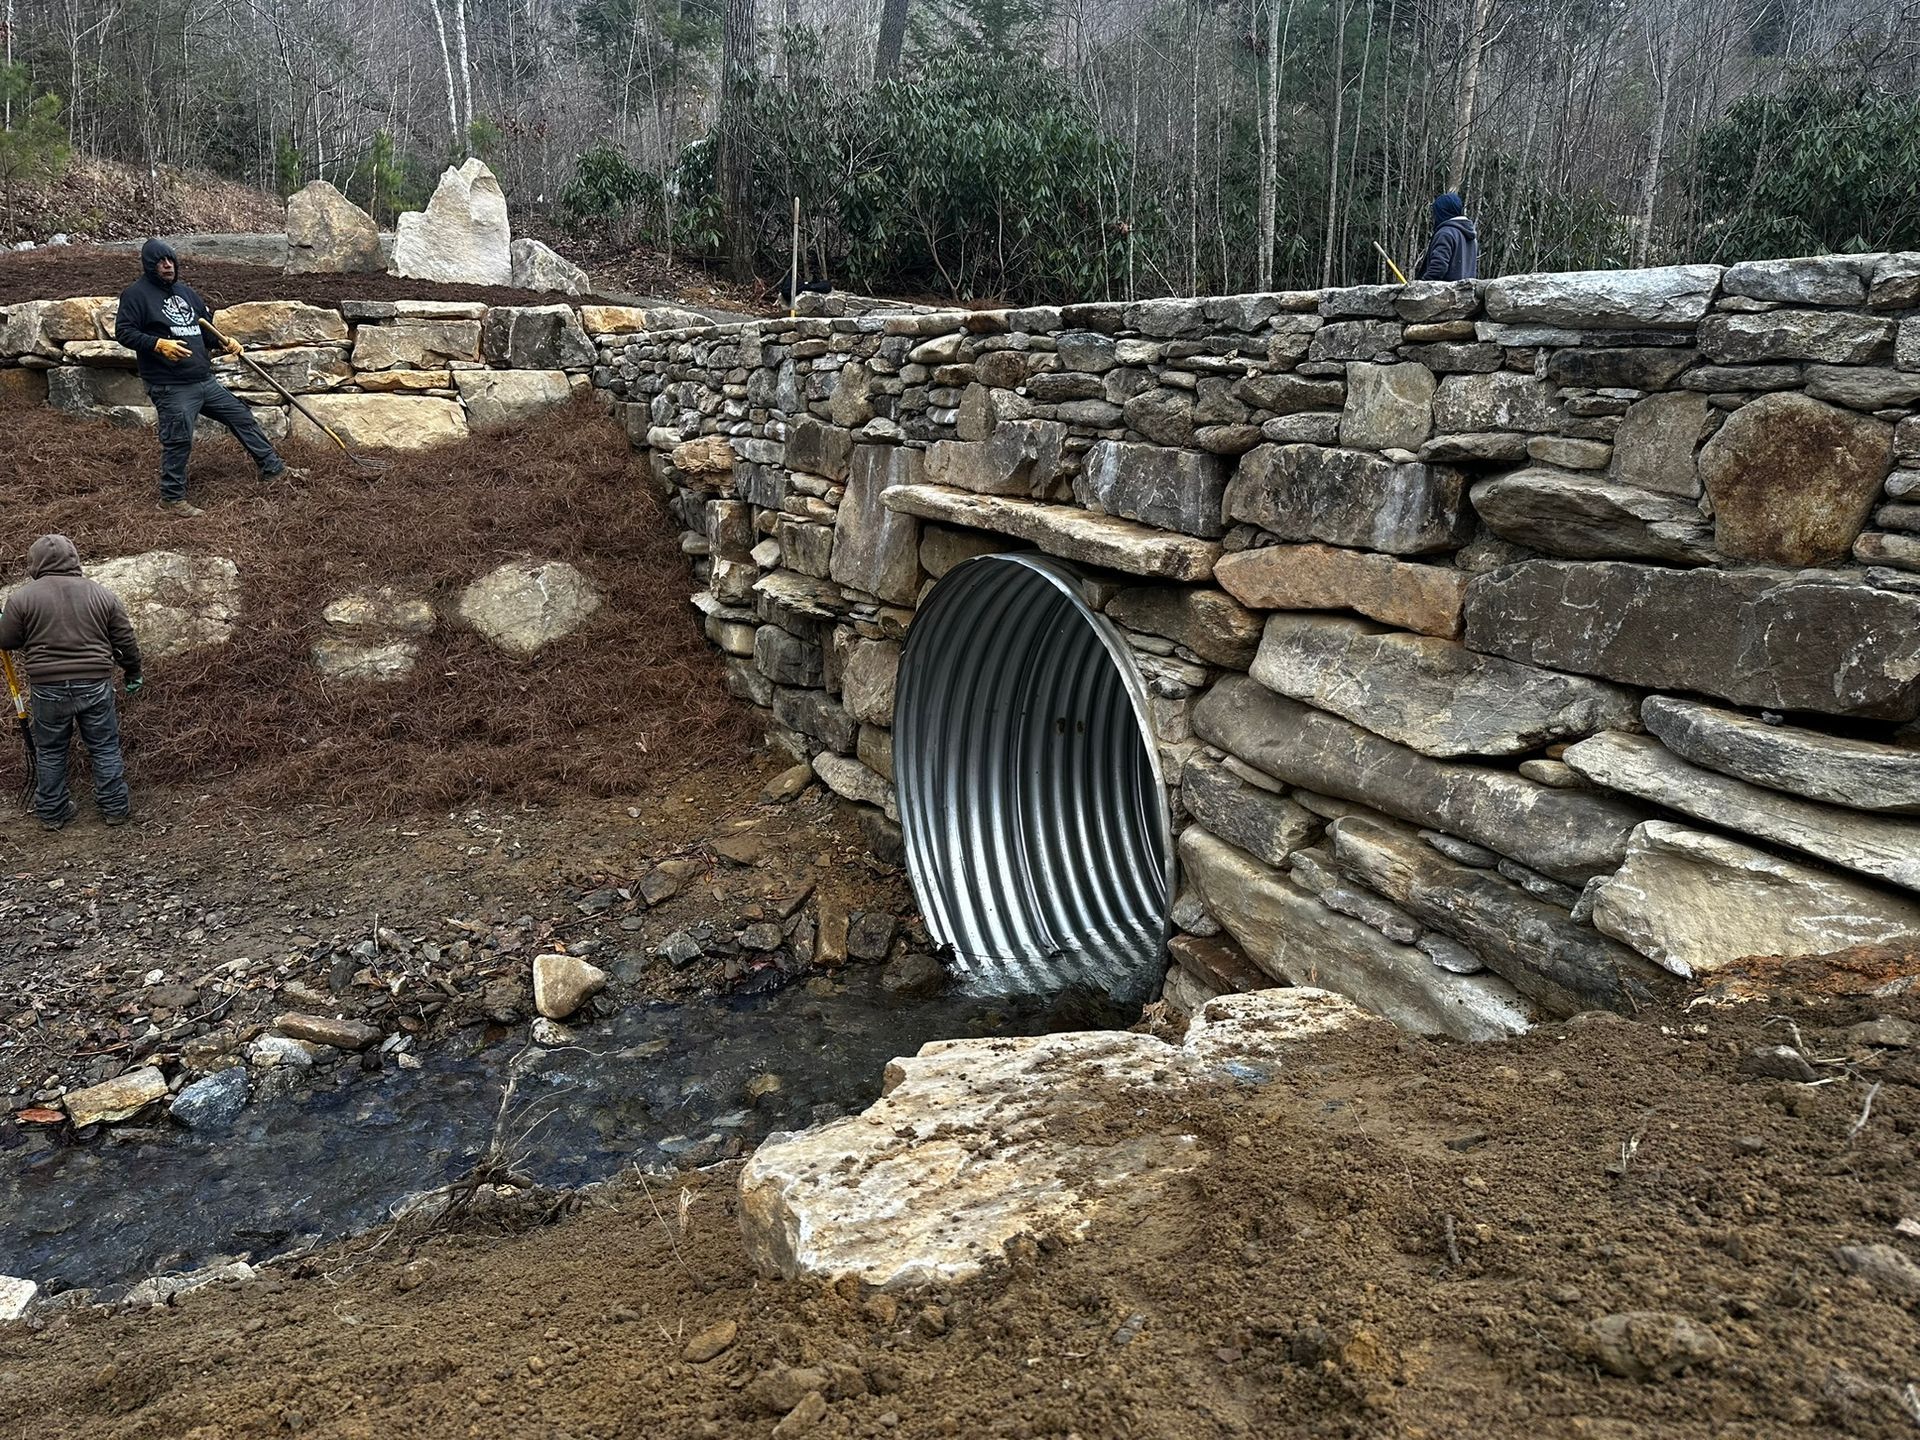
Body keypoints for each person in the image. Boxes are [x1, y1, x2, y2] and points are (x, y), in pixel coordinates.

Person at [114, 238, 302, 517]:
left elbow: (205, 332)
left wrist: (225, 342)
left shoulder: (187, 293)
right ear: (149, 265)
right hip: (170, 384)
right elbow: (124, 332)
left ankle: (273, 469)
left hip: (203, 379)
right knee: (178, 438)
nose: (167, 266)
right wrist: (157, 344)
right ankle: (171, 499)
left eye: (171, 260)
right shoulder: (136, 295)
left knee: (241, 416)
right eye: (160, 261)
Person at [0, 535, 142, 831]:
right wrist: (132, 671)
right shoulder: (101, 594)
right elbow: (125, 639)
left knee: (51, 751)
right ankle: (115, 808)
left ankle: (52, 812)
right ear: (73, 559)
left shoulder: (22, 598)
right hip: (94, 681)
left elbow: (7, 641)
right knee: (104, 747)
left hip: (47, 686)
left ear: (35, 563)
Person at [1418, 192, 1479, 281]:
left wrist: (1422, 285)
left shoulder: (1445, 233)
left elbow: (1438, 268)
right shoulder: (1471, 235)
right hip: (1465, 289)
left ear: (1441, 212)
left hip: (1443, 289)